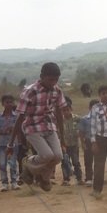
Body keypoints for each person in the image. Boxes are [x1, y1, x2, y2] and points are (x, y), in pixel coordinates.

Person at [7, 62, 68, 192]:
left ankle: (43, 178)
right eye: (50, 79)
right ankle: (28, 163)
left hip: (49, 126)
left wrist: (62, 138)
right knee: (47, 155)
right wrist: (11, 143)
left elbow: (59, 113)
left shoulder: (57, 90)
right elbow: (20, 117)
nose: (53, 83)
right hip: (32, 127)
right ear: (42, 76)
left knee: (58, 156)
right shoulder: (30, 91)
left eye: (56, 80)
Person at [0, 95, 20, 191]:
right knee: (2, 164)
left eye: (11, 102)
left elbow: (19, 128)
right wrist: (3, 131)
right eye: (7, 102)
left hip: (13, 143)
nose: (9, 104)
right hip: (2, 144)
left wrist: (13, 129)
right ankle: (4, 183)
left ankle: (14, 182)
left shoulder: (16, 116)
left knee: (13, 163)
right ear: (2, 104)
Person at [60, 96, 83, 186]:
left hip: (74, 144)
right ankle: (66, 179)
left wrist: (80, 131)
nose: (66, 112)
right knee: (64, 162)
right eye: (64, 110)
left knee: (76, 162)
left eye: (67, 110)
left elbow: (83, 125)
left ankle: (79, 178)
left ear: (71, 109)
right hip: (64, 145)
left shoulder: (77, 118)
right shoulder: (60, 120)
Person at [78, 99, 97, 186]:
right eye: (93, 107)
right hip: (88, 141)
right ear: (89, 108)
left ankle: (98, 177)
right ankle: (89, 178)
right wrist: (82, 143)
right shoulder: (84, 119)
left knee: (98, 160)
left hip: (99, 141)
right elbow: (81, 132)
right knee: (88, 160)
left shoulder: (101, 118)